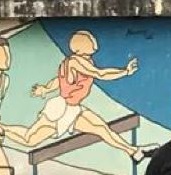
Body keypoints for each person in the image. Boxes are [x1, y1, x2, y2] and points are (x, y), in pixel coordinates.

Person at [1, 30, 157, 162]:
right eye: (90, 40)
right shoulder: (76, 62)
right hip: (62, 110)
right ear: (81, 46)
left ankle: (134, 152)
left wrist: (45, 89)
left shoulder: (81, 61)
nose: (94, 42)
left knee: (102, 129)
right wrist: (125, 71)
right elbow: (99, 74)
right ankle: (3, 129)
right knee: (30, 139)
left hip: (73, 108)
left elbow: (59, 80)